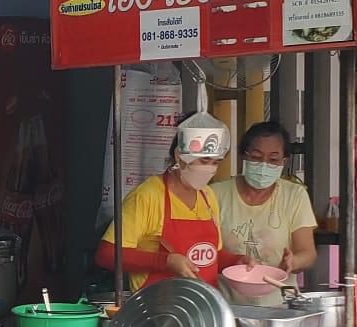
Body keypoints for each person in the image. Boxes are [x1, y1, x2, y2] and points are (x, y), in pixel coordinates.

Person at [95, 110, 235, 289]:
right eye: (204, 161)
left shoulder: (207, 196)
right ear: (180, 156)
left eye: (215, 162)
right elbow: (106, 254)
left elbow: (212, 256)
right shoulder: (149, 195)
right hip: (157, 310)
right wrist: (165, 261)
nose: (210, 169)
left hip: (202, 308)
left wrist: (238, 262)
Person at [215, 121, 318, 302]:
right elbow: (204, 251)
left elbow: (308, 252)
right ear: (242, 157)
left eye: (273, 160)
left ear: (283, 162)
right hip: (227, 306)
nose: (264, 165)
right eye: (256, 157)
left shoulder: (294, 195)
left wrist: (293, 262)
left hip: (280, 306)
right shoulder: (215, 194)